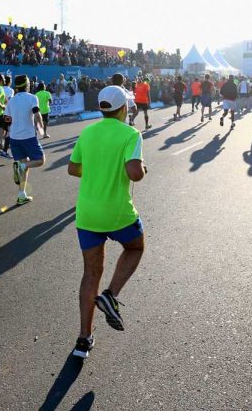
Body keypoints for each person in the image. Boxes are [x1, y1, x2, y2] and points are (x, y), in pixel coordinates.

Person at [67, 85, 146, 359]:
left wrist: (97, 170)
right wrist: (141, 169)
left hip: (87, 213)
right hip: (116, 212)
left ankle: (83, 340)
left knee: (90, 272)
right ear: (123, 108)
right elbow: (134, 173)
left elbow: (73, 168)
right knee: (135, 247)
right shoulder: (131, 134)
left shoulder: (87, 132)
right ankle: (110, 295)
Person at [5, 75, 45, 205]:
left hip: (14, 137)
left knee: (24, 167)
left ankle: (22, 195)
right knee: (40, 160)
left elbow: (7, 119)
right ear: (27, 84)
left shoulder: (11, 100)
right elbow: (37, 113)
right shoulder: (32, 98)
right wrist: (41, 127)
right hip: (28, 136)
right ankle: (20, 166)